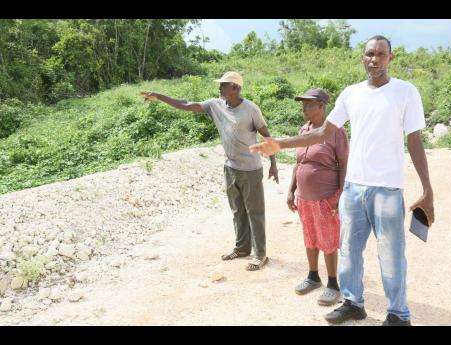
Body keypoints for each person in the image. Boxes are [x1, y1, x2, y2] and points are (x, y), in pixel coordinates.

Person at [249, 36, 435, 326]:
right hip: (353, 188)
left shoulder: (405, 92)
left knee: (391, 254)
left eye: (380, 54)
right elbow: (323, 132)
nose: (374, 59)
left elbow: (414, 141)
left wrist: (427, 189)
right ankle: (353, 302)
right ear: (363, 58)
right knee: (348, 250)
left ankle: (398, 314)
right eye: (369, 54)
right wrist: (281, 144)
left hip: (387, 188)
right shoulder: (351, 94)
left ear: (391, 58)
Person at [140, 71, 278, 271]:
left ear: (236, 88)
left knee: (254, 212)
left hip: (250, 169)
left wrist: (273, 164)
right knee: (237, 211)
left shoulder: (251, 110)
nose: (220, 88)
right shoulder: (215, 105)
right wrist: (159, 96)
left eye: (224, 85)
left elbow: (267, 137)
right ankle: (241, 248)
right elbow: (186, 104)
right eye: (220, 85)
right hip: (230, 167)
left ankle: (260, 254)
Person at [287, 88, 349, 306]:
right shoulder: (304, 129)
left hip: (326, 197)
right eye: (303, 104)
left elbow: (344, 164)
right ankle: (313, 276)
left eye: (309, 104)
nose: (304, 108)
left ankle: (333, 284)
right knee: (310, 236)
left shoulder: (336, 132)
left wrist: (340, 195)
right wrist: (291, 189)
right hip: (304, 197)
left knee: (329, 240)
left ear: (322, 107)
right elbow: (299, 163)